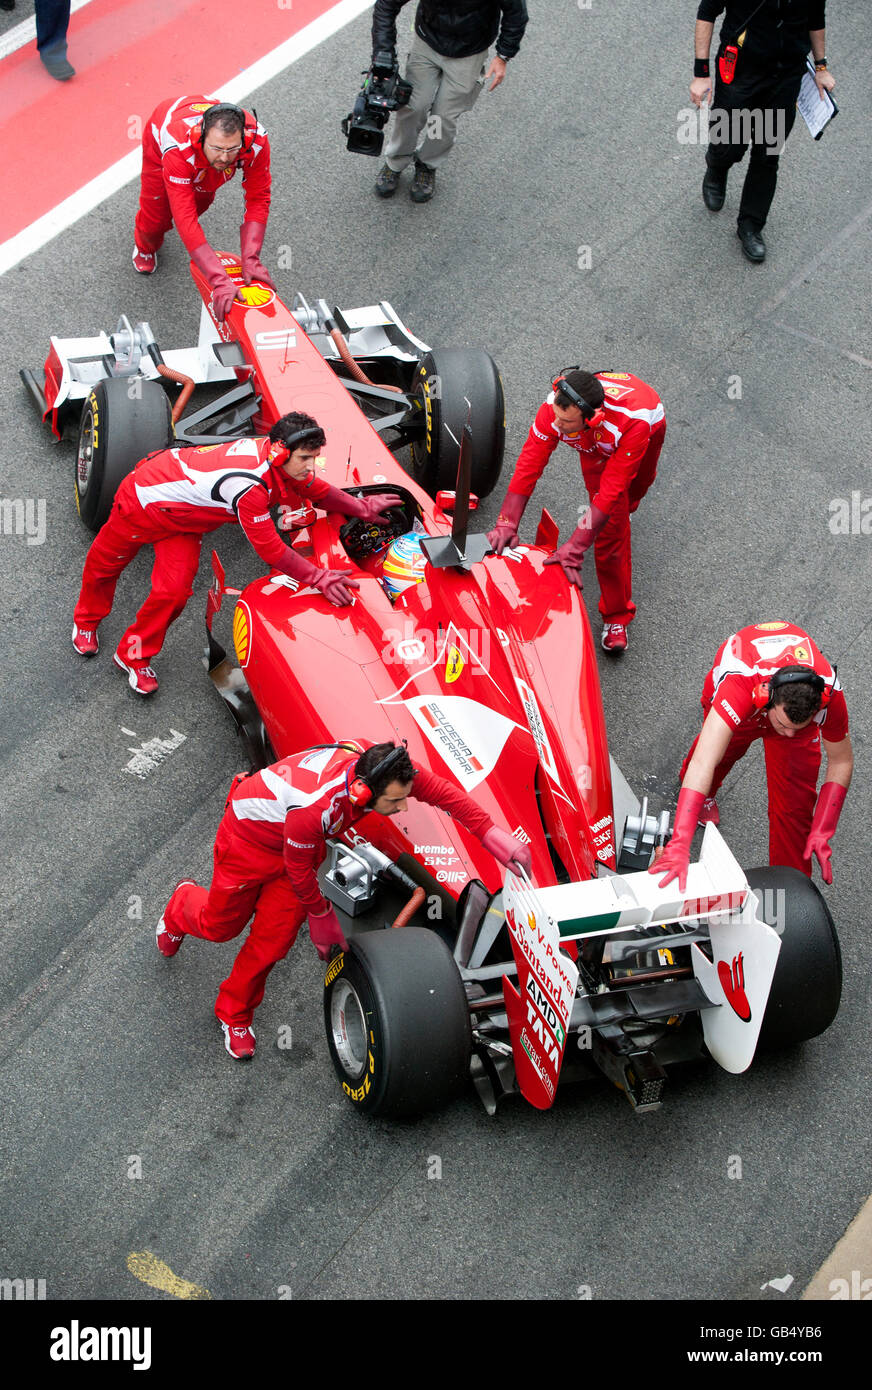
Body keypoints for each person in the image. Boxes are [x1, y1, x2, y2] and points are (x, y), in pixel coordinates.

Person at [156, 740, 532, 1058]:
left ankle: (234, 1012)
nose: (404, 807)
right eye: (397, 801)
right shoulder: (316, 808)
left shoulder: (385, 767)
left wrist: (490, 833)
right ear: (363, 794)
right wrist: (320, 916)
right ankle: (180, 906)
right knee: (220, 926)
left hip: (293, 851)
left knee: (272, 943)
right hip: (249, 844)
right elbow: (300, 868)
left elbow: (443, 794)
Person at [71, 412, 402, 695]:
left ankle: (132, 654)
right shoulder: (249, 485)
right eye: (305, 458)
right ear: (279, 453)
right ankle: (86, 620)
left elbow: (313, 489)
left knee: (173, 593)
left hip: (186, 520)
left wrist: (360, 506)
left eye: (314, 457)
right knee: (105, 565)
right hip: (143, 502)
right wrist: (318, 577)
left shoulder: (278, 460)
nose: (311, 465)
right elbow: (270, 549)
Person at [651, 620, 852, 890]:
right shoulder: (739, 684)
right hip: (746, 700)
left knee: (795, 812)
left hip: (781, 707)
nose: (787, 735)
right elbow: (704, 760)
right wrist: (680, 844)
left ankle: (789, 893)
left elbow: (841, 761)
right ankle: (705, 795)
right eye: (782, 725)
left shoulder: (829, 693)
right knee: (721, 755)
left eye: (796, 728)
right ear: (765, 698)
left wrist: (823, 828)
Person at [488, 368, 665, 652]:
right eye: (557, 415)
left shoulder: (635, 423)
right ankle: (617, 616)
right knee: (611, 528)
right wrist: (506, 522)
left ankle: (625, 512)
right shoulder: (553, 411)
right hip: (592, 443)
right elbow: (530, 462)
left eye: (566, 420)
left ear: (592, 419)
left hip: (639, 432)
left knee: (633, 491)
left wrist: (576, 546)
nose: (556, 425)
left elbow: (612, 489)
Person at [692, 2, 835, 263]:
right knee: (728, 143)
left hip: (785, 76)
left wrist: (821, 67)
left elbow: (815, 17)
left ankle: (750, 226)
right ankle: (717, 166)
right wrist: (701, 73)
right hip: (740, 70)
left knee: (768, 154)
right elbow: (707, 12)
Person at [371, 0, 528, 203]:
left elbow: (516, 13)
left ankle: (427, 162)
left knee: (441, 117)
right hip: (427, 44)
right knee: (413, 107)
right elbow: (386, 5)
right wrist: (383, 52)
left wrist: (503, 55)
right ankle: (396, 161)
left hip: (469, 53)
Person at [132, 96, 272, 314]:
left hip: (200, 148)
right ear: (201, 137)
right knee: (157, 214)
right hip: (161, 139)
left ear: (243, 140)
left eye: (232, 149)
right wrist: (218, 279)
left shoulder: (257, 140)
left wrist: (251, 257)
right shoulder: (178, 147)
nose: (224, 158)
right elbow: (183, 217)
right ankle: (144, 246)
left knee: (202, 200)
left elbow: (259, 197)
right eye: (217, 148)